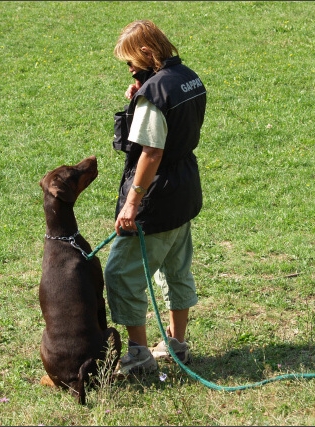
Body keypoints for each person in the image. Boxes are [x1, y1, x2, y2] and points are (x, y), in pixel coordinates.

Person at [104, 20, 207, 375]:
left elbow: (151, 153)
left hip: (156, 199)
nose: (129, 69)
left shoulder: (156, 94)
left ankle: (139, 354)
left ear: (148, 53)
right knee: (176, 269)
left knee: (121, 273)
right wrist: (140, 96)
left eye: (131, 62)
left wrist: (132, 203)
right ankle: (176, 343)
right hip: (184, 189)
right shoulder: (188, 77)